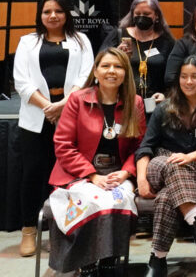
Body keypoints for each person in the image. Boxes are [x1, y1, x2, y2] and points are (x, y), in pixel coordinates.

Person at [48, 47, 147, 277]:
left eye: (118, 66)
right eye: (106, 66)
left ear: (125, 72)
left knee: (117, 200)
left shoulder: (136, 102)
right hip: (80, 172)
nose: (111, 71)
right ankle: (88, 263)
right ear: (95, 71)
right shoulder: (77, 99)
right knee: (93, 200)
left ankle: (109, 262)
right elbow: (63, 144)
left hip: (117, 173)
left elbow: (141, 147)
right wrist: (92, 175)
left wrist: (126, 172)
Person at [13, 0, 93, 257]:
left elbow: (86, 77)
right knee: (33, 173)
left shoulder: (81, 41)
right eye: (47, 12)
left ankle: (66, 229)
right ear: (41, 15)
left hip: (71, 116)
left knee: (70, 175)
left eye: (58, 11)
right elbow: (21, 82)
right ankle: (29, 230)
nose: (53, 16)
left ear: (67, 14)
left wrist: (63, 106)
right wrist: (48, 107)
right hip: (37, 118)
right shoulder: (27, 42)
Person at [136, 56, 196, 277]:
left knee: (166, 198)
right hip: (160, 164)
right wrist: (141, 179)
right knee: (172, 163)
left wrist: (189, 157)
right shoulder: (164, 108)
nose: (189, 82)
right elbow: (145, 147)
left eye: (195, 77)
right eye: (184, 77)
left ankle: (157, 260)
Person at [101, 0, 176, 101]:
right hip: (122, 100)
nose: (141, 17)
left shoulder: (167, 42)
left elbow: (174, 75)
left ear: (156, 16)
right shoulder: (118, 35)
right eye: (137, 13)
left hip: (154, 101)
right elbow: (99, 64)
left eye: (146, 14)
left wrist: (166, 95)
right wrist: (117, 55)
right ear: (132, 14)